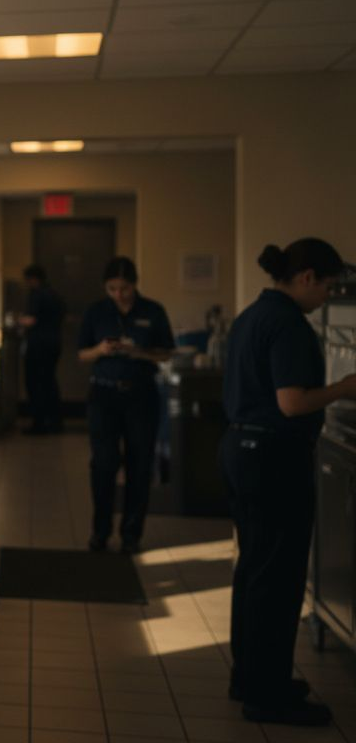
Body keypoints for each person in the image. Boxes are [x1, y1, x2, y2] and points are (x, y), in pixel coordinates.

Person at [221, 239, 354, 727]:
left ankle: (250, 677)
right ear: (306, 278)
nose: (328, 296)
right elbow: (292, 403)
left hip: (243, 450)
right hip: (273, 460)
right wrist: (345, 387)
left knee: (255, 572)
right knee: (276, 581)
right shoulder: (289, 326)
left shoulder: (253, 316)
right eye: (328, 286)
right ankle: (267, 693)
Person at [76, 257, 174, 555]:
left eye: (125, 288)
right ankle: (100, 531)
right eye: (113, 288)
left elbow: (165, 354)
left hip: (141, 395)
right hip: (104, 395)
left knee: (139, 464)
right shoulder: (97, 311)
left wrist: (139, 352)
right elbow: (82, 354)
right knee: (104, 464)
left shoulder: (153, 311)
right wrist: (101, 350)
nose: (119, 294)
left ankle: (131, 534)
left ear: (135, 284)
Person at [19, 264, 66, 434]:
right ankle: (54, 421)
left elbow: (31, 320)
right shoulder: (54, 294)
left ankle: (39, 423)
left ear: (32, 279)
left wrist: (19, 321)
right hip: (53, 343)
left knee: (36, 383)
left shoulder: (38, 295)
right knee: (49, 382)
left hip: (38, 345)